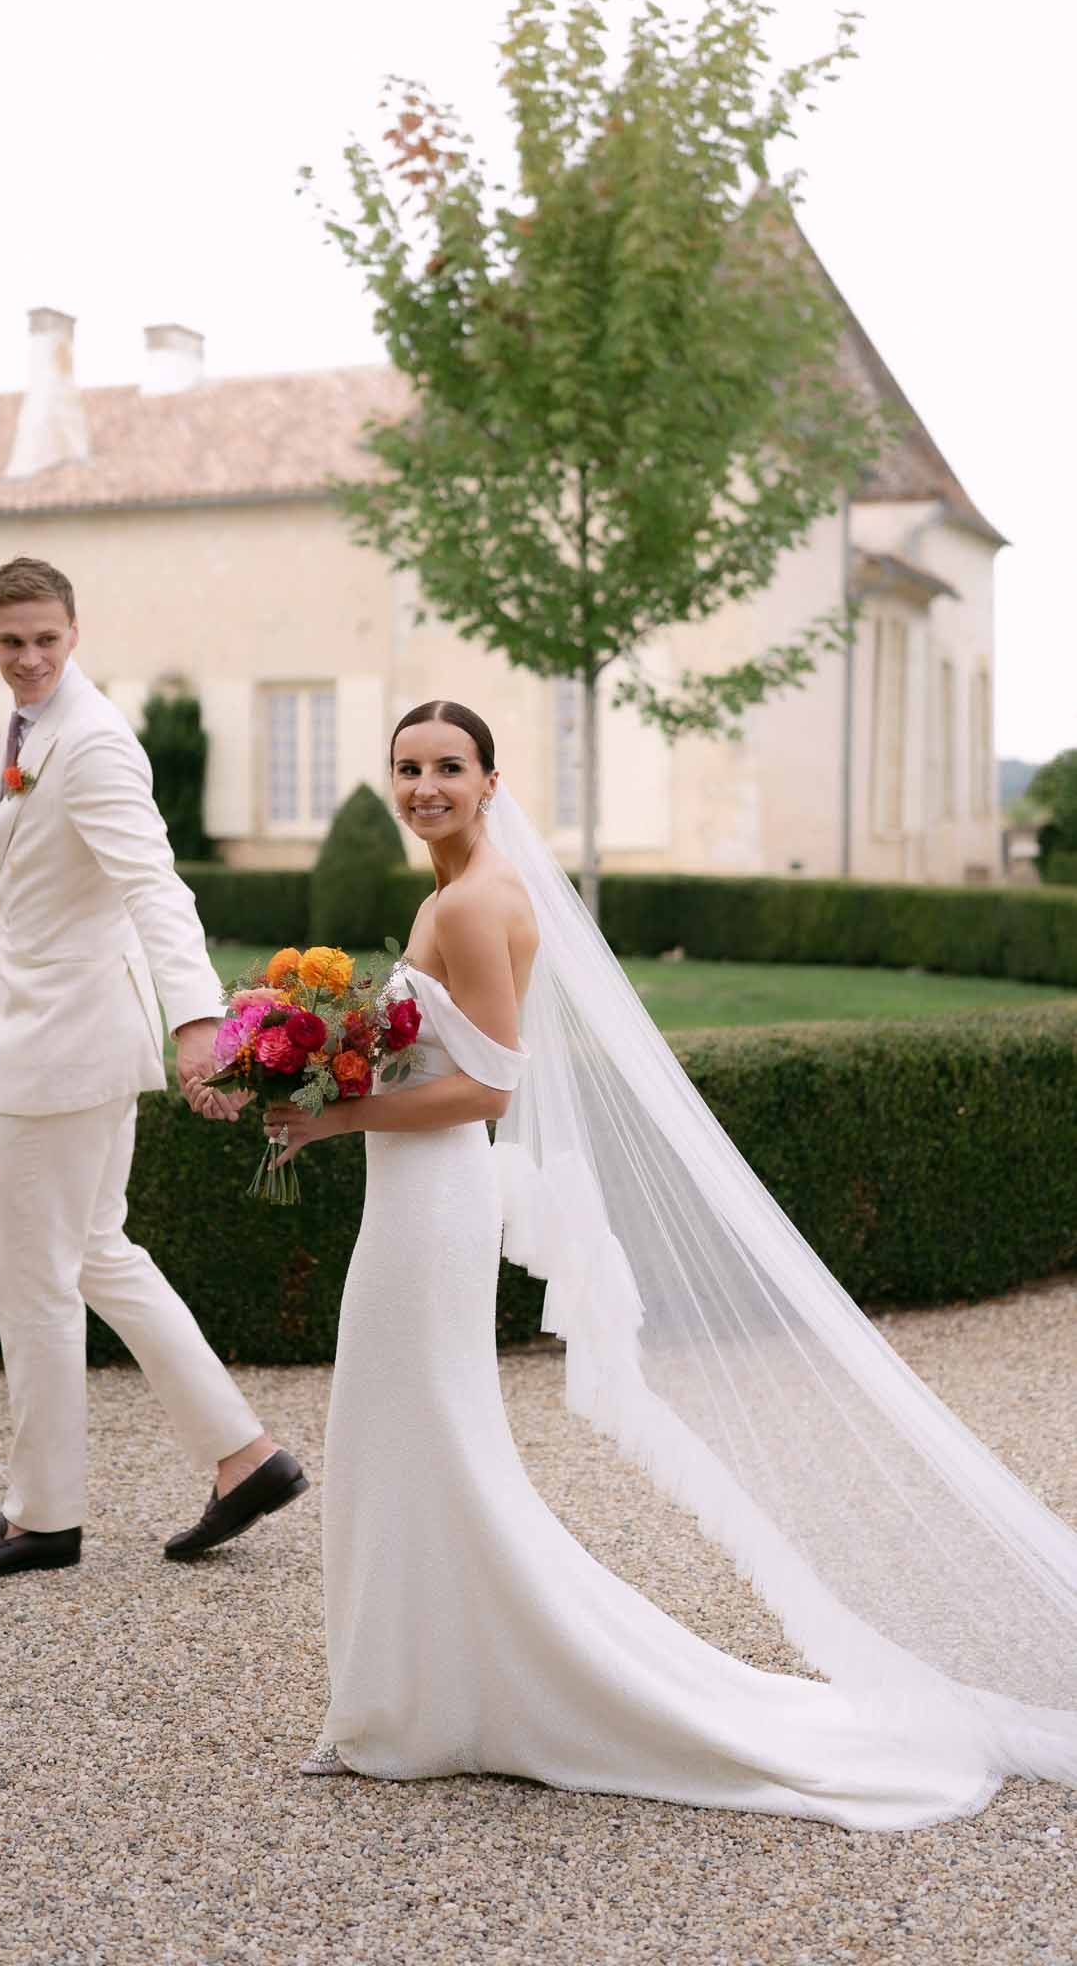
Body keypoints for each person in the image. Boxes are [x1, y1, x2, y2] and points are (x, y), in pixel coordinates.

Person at [262, 699, 1077, 1828]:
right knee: (400, 1433)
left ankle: (431, 1700)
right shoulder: (445, 891)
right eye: (408, 767)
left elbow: (495, 1085)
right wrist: (321, 1070)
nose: (425, 786)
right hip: (411, 1202)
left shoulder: (484, 896)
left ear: (493, 779)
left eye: (450, 766)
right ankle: (414, 1692)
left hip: (432, 1201)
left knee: (422, 1433)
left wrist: (334, 1114)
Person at [0, 557, 307, 1579]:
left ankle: (41, 1515)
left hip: (61, 1046)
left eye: (47, 638)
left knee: (33, 1278)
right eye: (12, 641)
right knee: (96, 1252)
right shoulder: (35, 729)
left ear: (75, 632)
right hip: (69, 1029)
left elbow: (157, 887)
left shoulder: (88, 742)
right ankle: (244, 1455)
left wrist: (197, 1023)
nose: (31, 657)